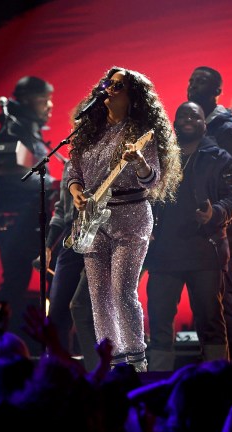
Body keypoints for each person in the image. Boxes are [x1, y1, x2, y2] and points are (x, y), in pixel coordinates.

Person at [66, 66, 182, 372]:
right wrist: (76, 191)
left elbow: (152, 179)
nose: (109, 89)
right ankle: (112, 362)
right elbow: (73, 171)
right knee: (98, 295)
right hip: (93, 219)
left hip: (130, 216)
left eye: (118, 85)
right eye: (108, 83)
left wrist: (141, 161)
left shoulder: (140, 132)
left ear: (133, 96)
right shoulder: (90, 129)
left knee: (121, 291)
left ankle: (136, 362)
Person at [146, 101, 232, 371]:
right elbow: (144, 195)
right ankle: (159, 386)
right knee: (160, 323)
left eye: (195, 115)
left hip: (205, 251)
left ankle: (218, 383)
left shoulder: (219, 157)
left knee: (211, 323)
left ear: (204, 124)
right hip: (164, 254)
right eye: (182, 115)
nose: (188, 119)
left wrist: (216, 213)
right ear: (174, 123)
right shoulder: (161, 157)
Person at [0, 76, 59, 354]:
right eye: (44, 100)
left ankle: (4, 341)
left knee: (18, 279)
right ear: (28, 100)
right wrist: (49, 181)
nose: (50, 106)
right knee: (17, 280)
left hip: (30, 218)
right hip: (18, 220)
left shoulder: (27, 130)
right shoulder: (13, 130)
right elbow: (4, 170)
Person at [187, 66, 232, 369]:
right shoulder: (198, 128)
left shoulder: (226, 131)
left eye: (201, 83)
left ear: (217, 91)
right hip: (207, 225)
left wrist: (221, 219)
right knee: (210, 300)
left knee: (226, 297)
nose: (192, 87)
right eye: (191, 81)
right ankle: (216, 368)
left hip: (226, 225)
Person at [34, 161, 99, 371]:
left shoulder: (106, 153)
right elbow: (61, 211)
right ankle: (58, 375)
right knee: (57, 313)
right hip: (73, 240)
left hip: (102, 239)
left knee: (87, 311)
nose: (77, 125)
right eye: (74, 124)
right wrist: (47, 246)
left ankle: (97, 374)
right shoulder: (71, 163)